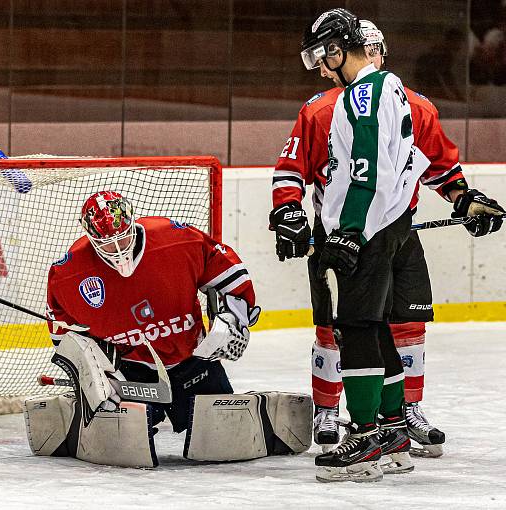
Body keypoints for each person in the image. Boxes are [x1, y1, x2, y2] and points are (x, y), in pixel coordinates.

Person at [270, 18, 504, 463]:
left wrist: (463, 198)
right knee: (346, 325)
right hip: (357, 228)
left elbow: (429, 168)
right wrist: (289, 210)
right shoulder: (324, 109)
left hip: (375, 230)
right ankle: (331, 410)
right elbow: (293, 168)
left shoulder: (398, 102)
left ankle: (390, 419)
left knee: (392, 325)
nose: (320, 70)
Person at [25, 191, 312, 467]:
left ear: (133, 224)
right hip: (130, 373)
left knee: (225, 435)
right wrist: (95, 374)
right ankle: (75, 413)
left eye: (123, 238)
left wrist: (235, 316)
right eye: (108, 244)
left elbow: (229, 272)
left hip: (192, 362)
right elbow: (64, 336)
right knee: (118, 443)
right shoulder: (69, 274)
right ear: (91, 239)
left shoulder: (175, 239)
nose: (119, 249)